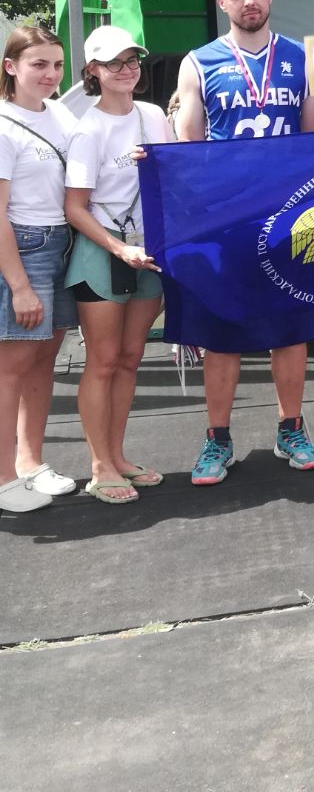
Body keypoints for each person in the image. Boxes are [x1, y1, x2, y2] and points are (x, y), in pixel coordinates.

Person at [174, 0, 314, 484]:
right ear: (222, 3)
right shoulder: (199, 62)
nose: (249, 2)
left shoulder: (302, 58)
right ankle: (217, 438)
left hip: (290, 215)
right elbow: (188, 148)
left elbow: (312, 140)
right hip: (228, 219)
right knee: (223, 331)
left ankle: (291, 429)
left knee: (290, 327)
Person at [64, 25, 172, 504]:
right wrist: (117, 248)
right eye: (114, 63)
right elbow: (75, 208)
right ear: (93, 71)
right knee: (104, 361)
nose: (126, 70)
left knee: (130, 358)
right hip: (104, 252)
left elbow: (175, 175)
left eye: (132, 60)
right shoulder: (87, 129)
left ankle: (119, 456)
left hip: (148, 252)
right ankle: (100, 466)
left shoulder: (154, 115)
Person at [0, 26, 79, 513]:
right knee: (11, 368)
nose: (51, 74)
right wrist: (19, 285)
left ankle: (29, 462)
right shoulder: (3, 125)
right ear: (11, 67)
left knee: (43, 360)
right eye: (39, 65)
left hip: (62, 243)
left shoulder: (59, 113)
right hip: (25, 248)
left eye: (57, 64)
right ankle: (4, 479)